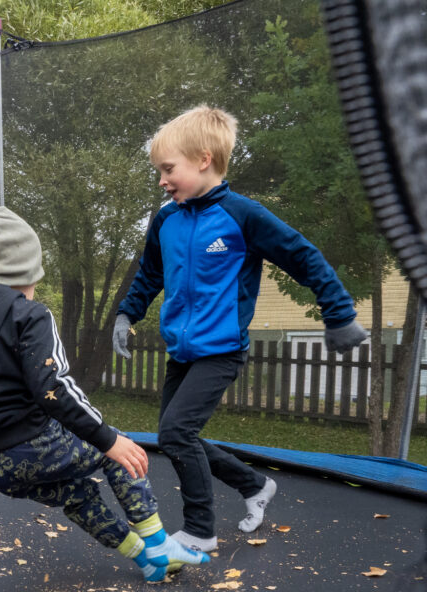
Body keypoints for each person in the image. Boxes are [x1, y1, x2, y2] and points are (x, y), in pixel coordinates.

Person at [0, 206, 209, 582]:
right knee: (121, 455)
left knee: (77, 495)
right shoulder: (29, 315)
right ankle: (157, 541)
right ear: (24, 274)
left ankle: (145, 559)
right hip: (35, 444)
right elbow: (53, 387)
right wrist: (108, 439)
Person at [113, 105, 367, 553]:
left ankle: (199, 531)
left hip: (223, 349)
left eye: (168, 169)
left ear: (203, 159)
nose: (162, 181)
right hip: (183, 350)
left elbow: (303, 256)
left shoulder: (242, 215)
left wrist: (339, 313)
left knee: (175, 434)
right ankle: (253, 484)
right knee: (177, 437)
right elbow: (149, 273)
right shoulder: (166, 219)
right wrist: (126, 314)